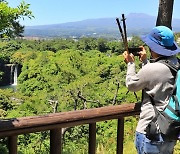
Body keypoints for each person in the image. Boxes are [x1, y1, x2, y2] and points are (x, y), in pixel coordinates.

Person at [123, 26, 180, 154]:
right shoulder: (177, 63)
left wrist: (130, 63)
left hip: (151, 130)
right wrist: (145, 61)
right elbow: (158, 79)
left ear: (154, 47)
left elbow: (131, 85)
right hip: (171, 128)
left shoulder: (153, 69)